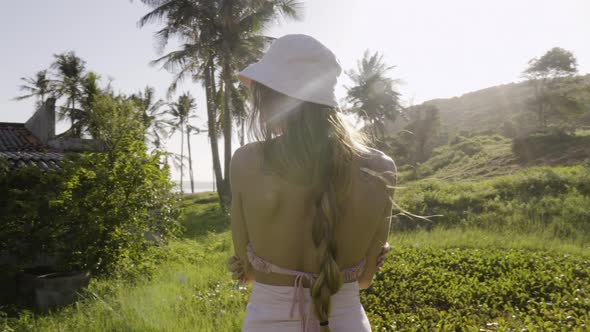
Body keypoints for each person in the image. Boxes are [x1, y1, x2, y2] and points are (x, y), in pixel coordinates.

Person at [228, 34, 396, 332]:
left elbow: (249, 273)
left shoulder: (247, 162)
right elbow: (366, 280)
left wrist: (246, 266)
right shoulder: (381, 168)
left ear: (271, 97)